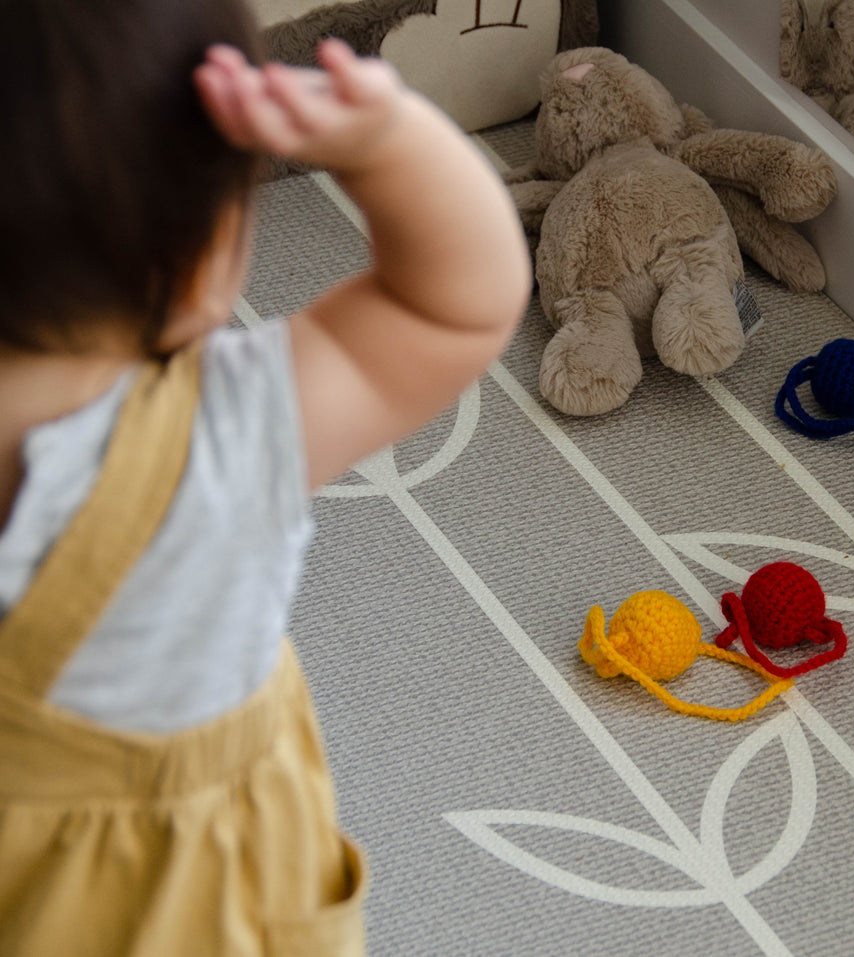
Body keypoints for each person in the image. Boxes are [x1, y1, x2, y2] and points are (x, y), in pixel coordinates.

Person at [0, 1, 532, 953]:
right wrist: (389, 141)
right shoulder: (228, 432)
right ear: (206, 252)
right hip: (175, 911)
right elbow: (452, 304)